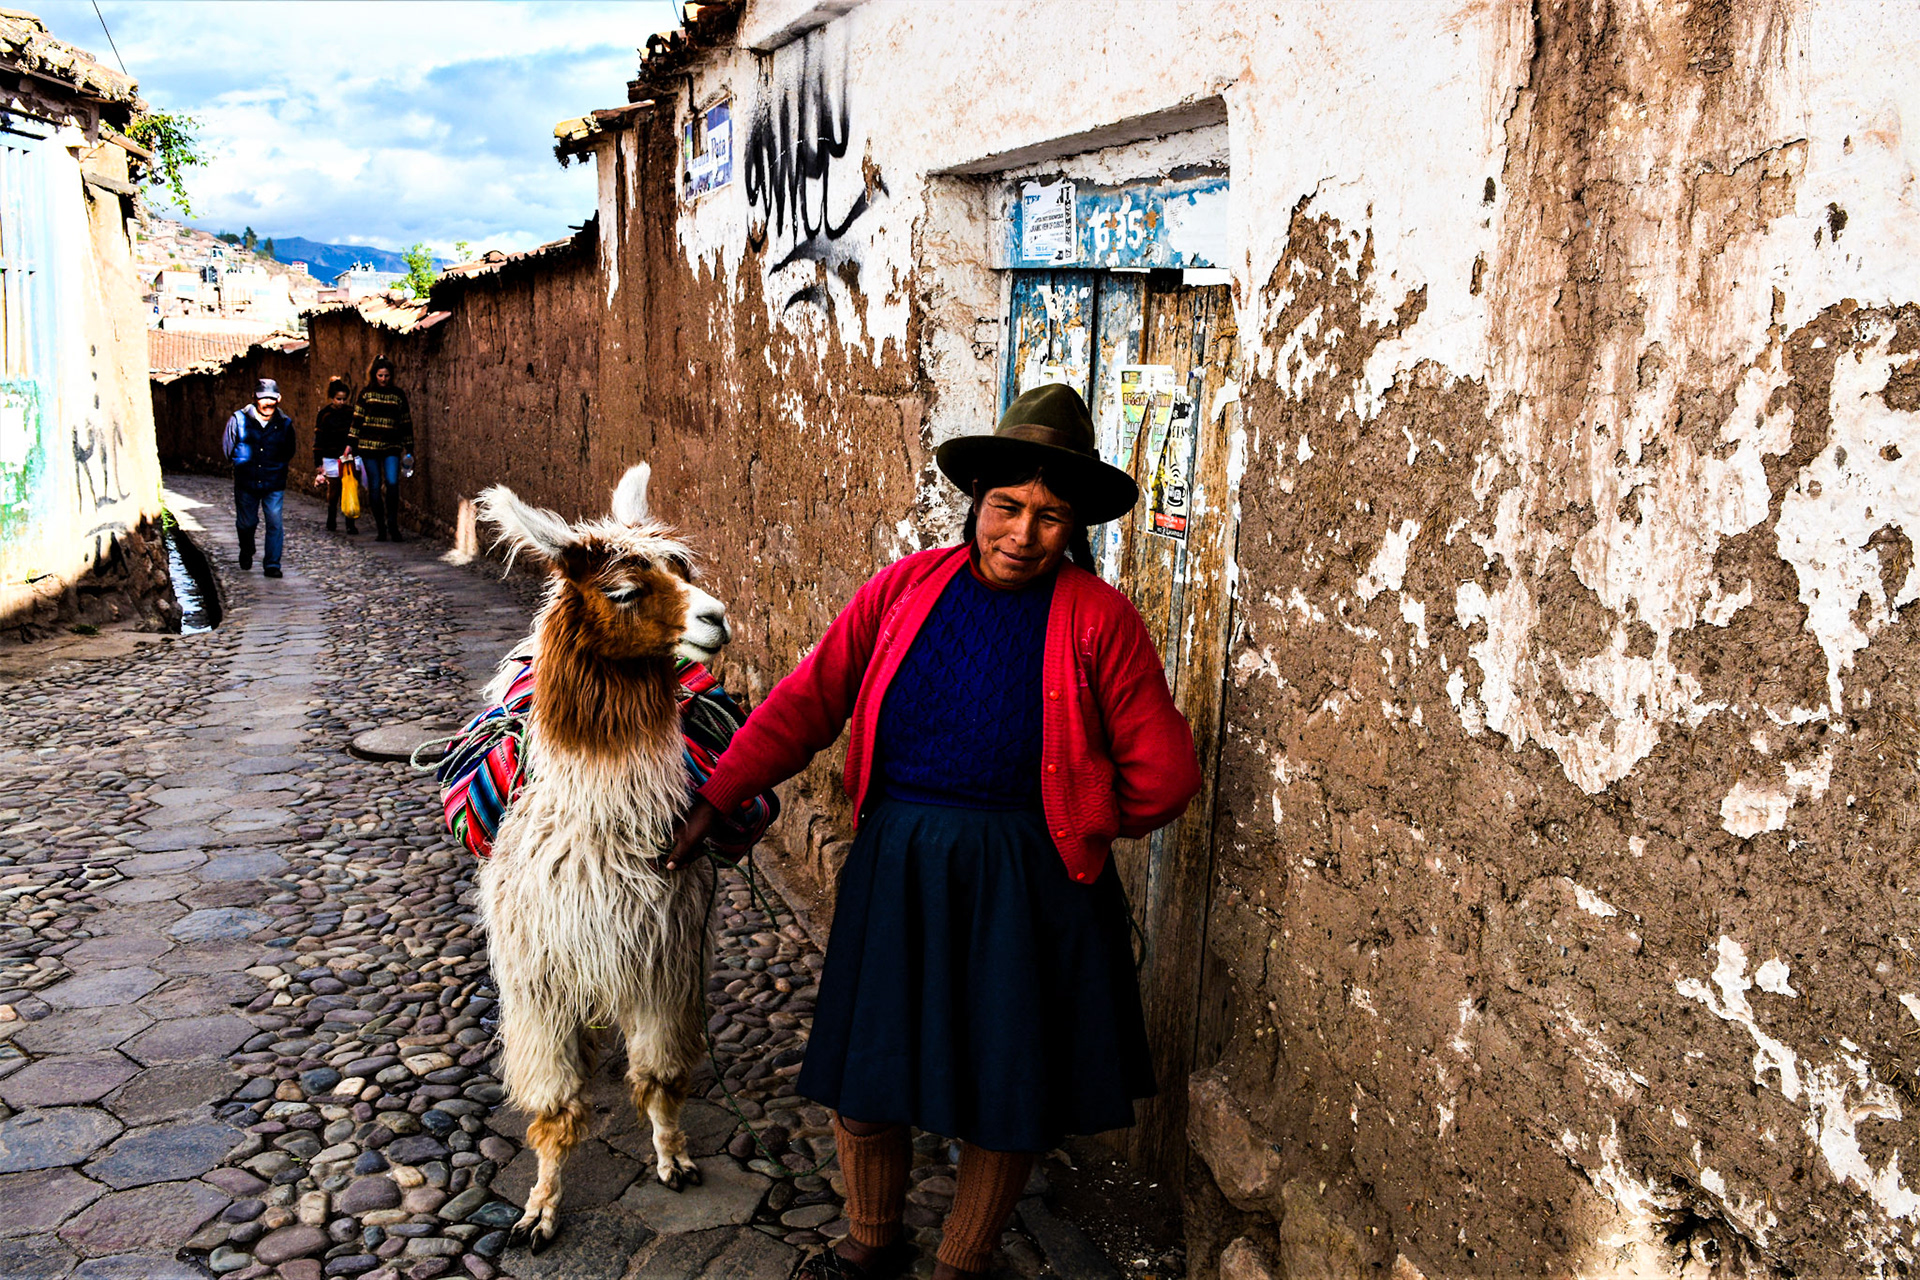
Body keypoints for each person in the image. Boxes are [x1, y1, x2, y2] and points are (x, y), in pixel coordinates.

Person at [670, 384, 1202, 1280]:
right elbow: (809, 702)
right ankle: (871, 1244)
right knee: (867, 1070)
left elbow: (1167, 775)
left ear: (1073, 530)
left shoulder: (1099, 620)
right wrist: (719, 797)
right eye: (1007, 508)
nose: (1022, 536)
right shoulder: (903, 591)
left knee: (1005, 1088)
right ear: (976, 502)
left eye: (1049, 517)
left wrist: (1080, 816)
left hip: (1030, 883)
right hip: (900, 863)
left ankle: (964, 1263)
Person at [222, 378, 296, 578]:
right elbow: (228, 449)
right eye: (264, 398)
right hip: (247, 482)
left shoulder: (285, 424)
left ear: (279, 399)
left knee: (274, 522)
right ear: (254, 398)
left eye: (272, 398)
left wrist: (276, 465)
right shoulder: (238, 420)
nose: (268, 402)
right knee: (246, 523)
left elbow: (290, 450)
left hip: (274, 481)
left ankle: (272, 564)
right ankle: (246, 549)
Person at [348, 355, 414, 542]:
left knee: (393, 483)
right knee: (375, 487)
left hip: (392, 446)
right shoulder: (366, 394)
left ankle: (393, 524)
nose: (383, 379)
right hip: (369, 448)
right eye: (380, 375)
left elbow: (406, 422)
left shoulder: (398, 395)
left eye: (386, 376)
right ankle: (381, 527)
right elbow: (357, 421)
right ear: (374, 375)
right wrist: (350, 446)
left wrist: (409, 449)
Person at [311, 376, 356, 534]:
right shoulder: (324, 415)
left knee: (349, 488)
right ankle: (331, 517)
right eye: (338, 399)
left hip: (348, 456)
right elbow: (319, 438)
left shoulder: (351, 413)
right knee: (335, 488)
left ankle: (350, 522)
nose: (341, 402)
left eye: (344, 399)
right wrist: (318, 463)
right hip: (330, 456)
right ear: (332, 398)